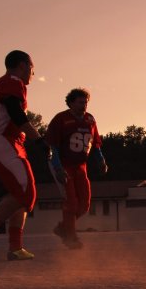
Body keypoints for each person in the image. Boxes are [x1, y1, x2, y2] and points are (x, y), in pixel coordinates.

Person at [0, 50, 45, 261]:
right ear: (23, 65)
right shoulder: (13, 81)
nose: (33, 73)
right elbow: (16, 113)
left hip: (8, 142)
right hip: (2, 141)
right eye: (32, 68)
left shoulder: (4, 84)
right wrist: (39, 140)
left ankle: (15, 247)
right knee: (25, 190)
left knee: (22, 194)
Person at [46, 88, 107, 249]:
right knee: (71, 202)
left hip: (81, 166)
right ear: (71, 102)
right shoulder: (61, 119)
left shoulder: (90, 120)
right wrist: (58, 167)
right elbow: (53, 147)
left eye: (86, 102)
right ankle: (71, 238)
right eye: (80, 102)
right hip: (63, 164)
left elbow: (95, 144)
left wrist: (101, 160)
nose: (84, 105)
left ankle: (63, 228)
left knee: (85, 204)